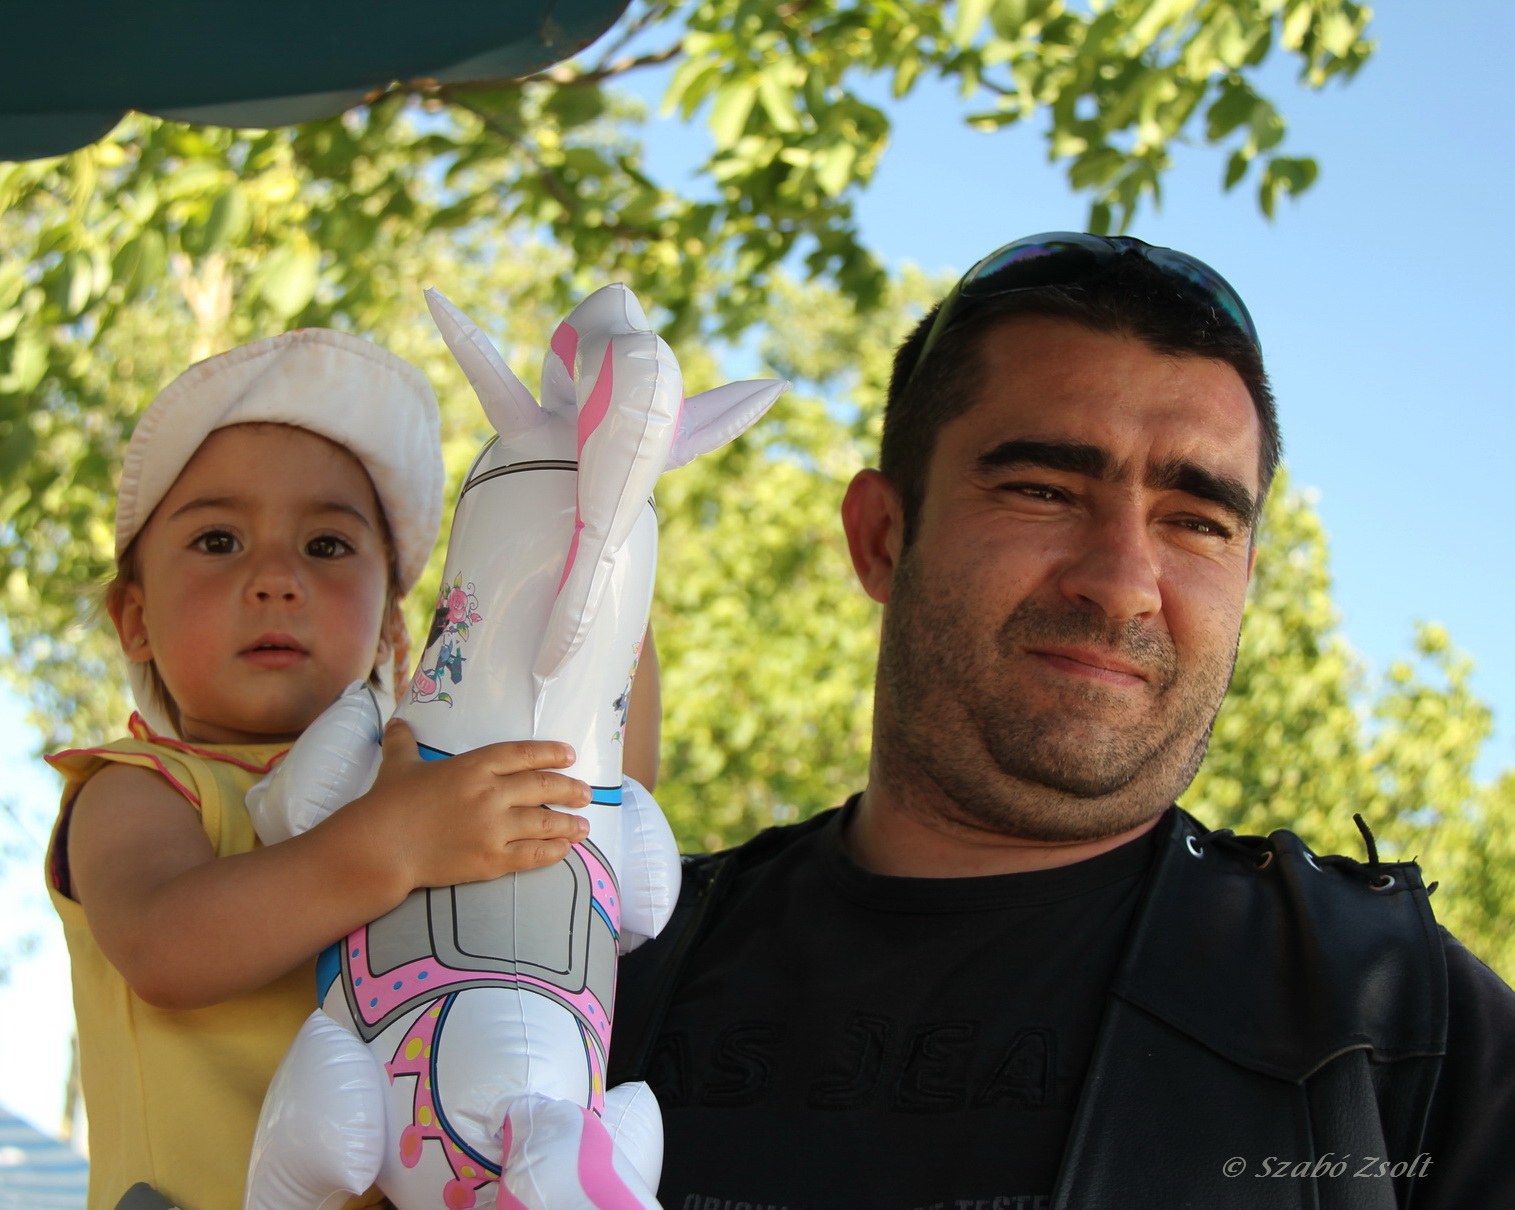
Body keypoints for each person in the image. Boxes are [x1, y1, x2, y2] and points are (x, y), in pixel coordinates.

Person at [609, 233, 1515, 1209]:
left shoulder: (1401, 1026)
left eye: (1197, 522)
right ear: (881, 536)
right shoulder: (605, 966)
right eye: (1043, 491)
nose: (1123, 584)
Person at [44, 329, 661, 1210]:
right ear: (134, 620)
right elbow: (159, 947)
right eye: (218, 540)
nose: (275, 579)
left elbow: (591, 796)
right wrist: (391, 848)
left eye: (327, 547)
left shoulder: (426, 784)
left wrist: (594, 570)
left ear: (393, 631)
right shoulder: (139, 785)